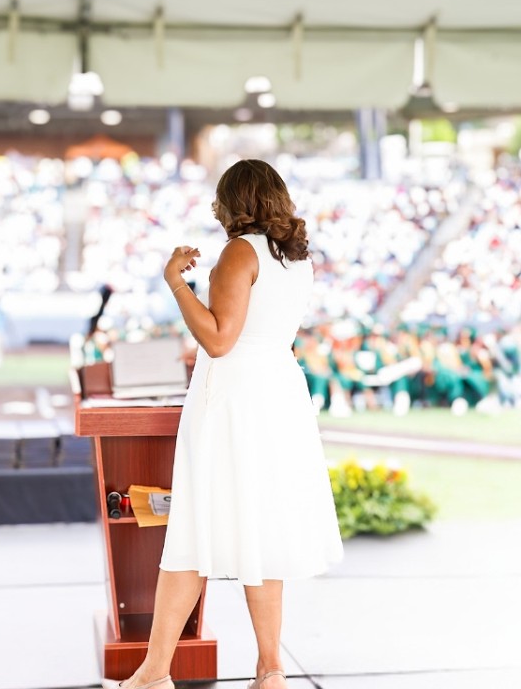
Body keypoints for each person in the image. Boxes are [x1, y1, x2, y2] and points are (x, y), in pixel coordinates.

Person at [105, 159, 343, 689]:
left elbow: (218, 340)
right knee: (264, 531)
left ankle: (153, 673)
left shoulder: (240, 252)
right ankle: (270, 670)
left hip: (235, 399)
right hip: (278, 392)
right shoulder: (296, 257)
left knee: (195, 527)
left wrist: (176, 284)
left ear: (232, 202)